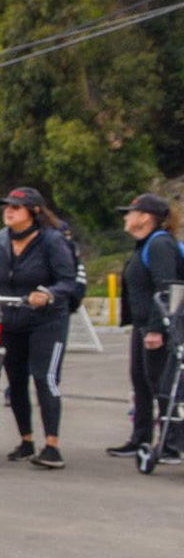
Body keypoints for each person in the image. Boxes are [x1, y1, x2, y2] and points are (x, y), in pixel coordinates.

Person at [0, 187, 79, 469]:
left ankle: (52, 446)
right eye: (6, 206)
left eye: (16, 207)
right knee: (16, 380)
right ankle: (26, 441)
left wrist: (48, 294)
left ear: (34, 211)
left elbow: (68, 281)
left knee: (44, 377)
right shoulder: (3, 238)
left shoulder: (52, 240)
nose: (8, 211)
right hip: (12, 318)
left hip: (47, 320)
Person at [112, 190, 182, 461]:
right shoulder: (144, 245)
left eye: (129, 213)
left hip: (161, 328)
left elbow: (166, 288)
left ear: (145, 217)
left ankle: (171, 444)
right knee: (141, 383)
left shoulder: (159, 244)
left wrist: (156, 329)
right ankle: (140, 438)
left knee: (163, 385)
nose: (126, 218)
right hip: (142, 326)